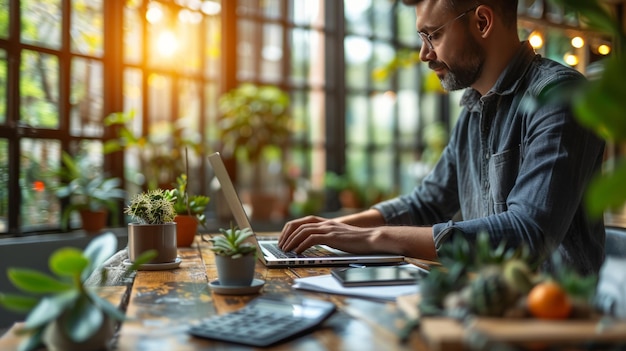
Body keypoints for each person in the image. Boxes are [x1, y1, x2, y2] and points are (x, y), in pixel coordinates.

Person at [278, 0, 606, 275]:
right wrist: (327, 231)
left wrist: (372, 236)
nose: (424, 53)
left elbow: (528, 234)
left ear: (481, 21)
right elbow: (426, 204)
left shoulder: (560, 96)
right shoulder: (474, 112)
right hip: (488, 309)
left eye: (432, 35)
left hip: (559, 323)